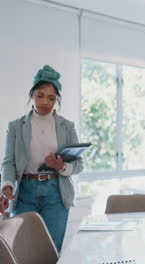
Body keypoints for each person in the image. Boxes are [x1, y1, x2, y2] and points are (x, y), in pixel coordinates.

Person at [0, 65, 83, 251]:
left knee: (50, 252)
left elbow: (79, 165)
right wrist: (6, 186)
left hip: (56, 193)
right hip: (24, 194)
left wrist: (61, 166)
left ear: (57, 100)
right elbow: (9, 162)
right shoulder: (15, 126)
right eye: (40, 95)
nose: (45, 102)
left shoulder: (67, 127)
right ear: (32, 95)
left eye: (51, 98)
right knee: (23, 252)